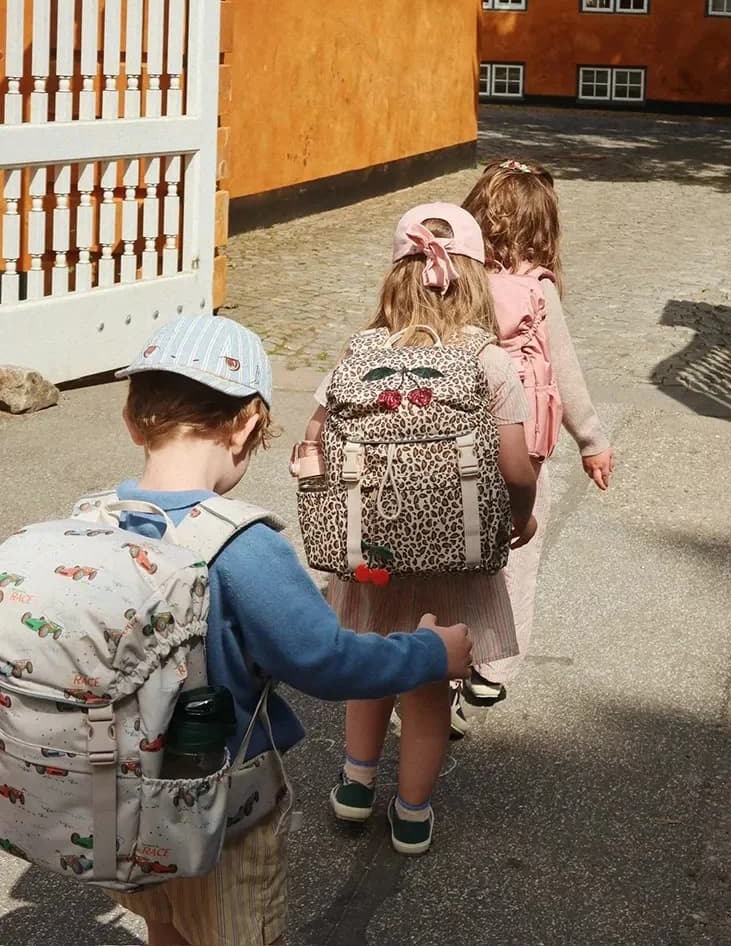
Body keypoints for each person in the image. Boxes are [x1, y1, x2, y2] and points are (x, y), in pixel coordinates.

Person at [100, 314, 473, 946]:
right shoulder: (240, 546)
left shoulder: (97, 521)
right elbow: (326, 661)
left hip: (114, 799)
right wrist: (430, 653)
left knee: (163, 921)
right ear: (247, 424)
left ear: (134, 421)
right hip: (216, 813)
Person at [300, 203, 537, 856]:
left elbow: (316, 439)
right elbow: (516, 467)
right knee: (429, 687)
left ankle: (354, 786)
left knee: (371, 664)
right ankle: (410, 813)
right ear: (476, 279)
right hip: (452, 558)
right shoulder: (488, 361)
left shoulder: (362, 350)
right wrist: (522, 517)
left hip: (371, 553)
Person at [458, 158, 614, 714]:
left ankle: (442, 654)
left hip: (451, 442)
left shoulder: (451, 282)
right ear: (544, 229)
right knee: (518, 548)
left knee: (457, 547)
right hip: (521, 448)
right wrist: (592, 441)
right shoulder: (537, 294)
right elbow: (565, 374)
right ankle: (492, 667)